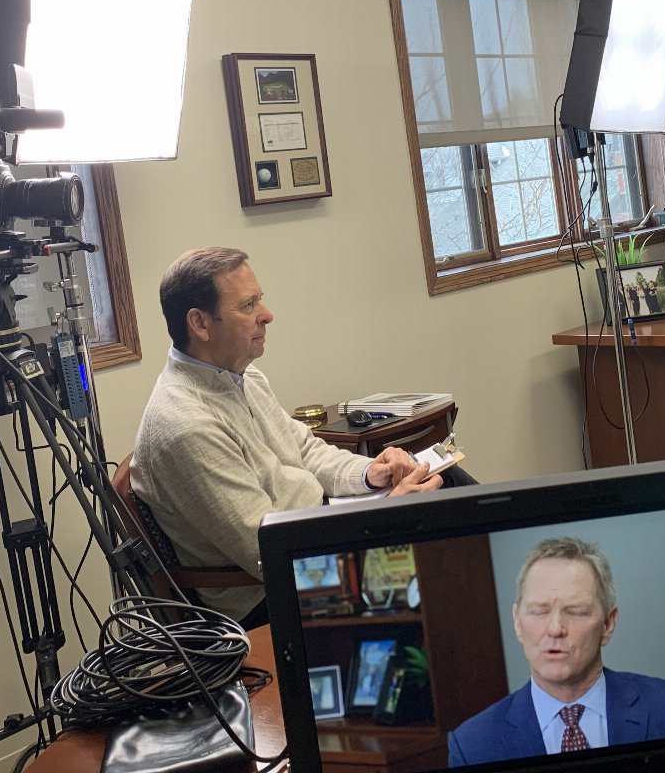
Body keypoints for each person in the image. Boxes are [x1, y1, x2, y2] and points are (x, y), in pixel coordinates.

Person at [131, 247, 444, 627]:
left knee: (446, 486)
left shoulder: (243, 377)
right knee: (447, 560)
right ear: (200, 323)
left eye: (259, 300)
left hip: (315, 533)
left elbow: (306, 451)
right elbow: (268, 551)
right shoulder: (186, 426)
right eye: (248, 305)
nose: (267, 314)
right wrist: (384, 515)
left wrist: (370, 473)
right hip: (272, 594)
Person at [447, 537, 665, 767]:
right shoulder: (471, 746)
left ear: (608, 624)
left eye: (575, 612)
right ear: (517, 623)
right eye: (539, 611)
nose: (555, 629)